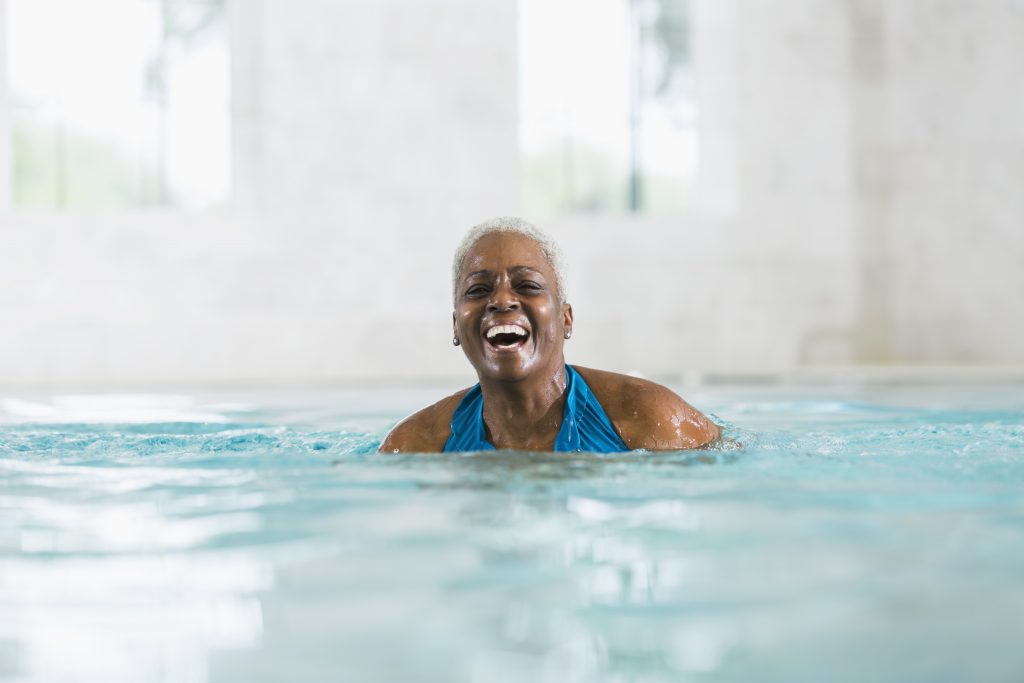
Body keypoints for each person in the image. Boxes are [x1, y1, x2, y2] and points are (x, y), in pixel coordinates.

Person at [378, 216, 720, 453]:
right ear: (456, 326)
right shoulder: (415, 445)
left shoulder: (652, 420)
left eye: (527, 285)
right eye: (478, 290)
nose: (500, 300)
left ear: (566, 319)